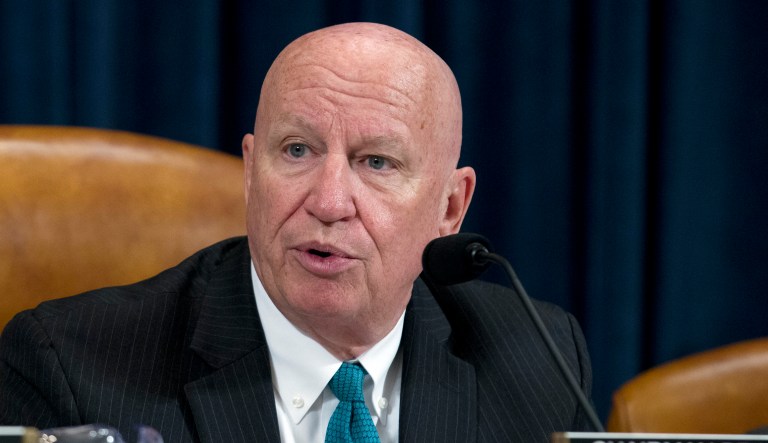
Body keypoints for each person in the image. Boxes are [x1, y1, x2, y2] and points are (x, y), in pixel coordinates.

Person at [0, 23, 593, 442]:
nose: (330, 202)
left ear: (449, 207)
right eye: (298, 150)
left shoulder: (537, 355)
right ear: (253, 174)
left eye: (376, 163)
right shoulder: (70, 365)